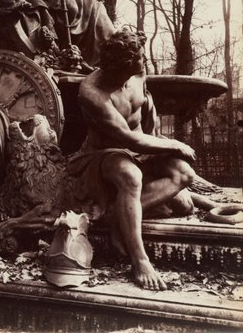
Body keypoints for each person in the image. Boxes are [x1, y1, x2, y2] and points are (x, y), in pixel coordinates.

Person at [69, 28, 196, 290]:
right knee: (131, 176)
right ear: (123, 64)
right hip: (105, 154)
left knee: (185, 175)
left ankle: (117, 215)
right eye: (139, 56)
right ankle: (139, 260)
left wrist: (161, 146)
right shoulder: (93, 93)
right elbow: (128, 139)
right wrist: (172, 144)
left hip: (144, 148)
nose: (144, 59)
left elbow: (147, 114)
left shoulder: (138, 72)